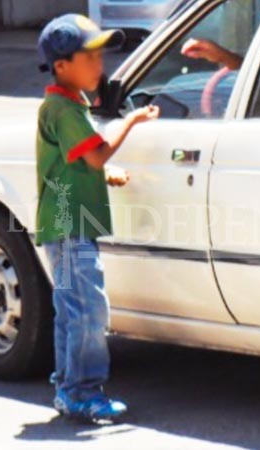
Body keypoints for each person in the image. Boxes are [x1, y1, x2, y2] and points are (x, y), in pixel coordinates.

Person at [35, 13, 159, 422]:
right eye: (88, 57)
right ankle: (83, 391)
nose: (98, 65)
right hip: (70, 227)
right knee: (90, 309)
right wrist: (132, 120)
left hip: (66, 222)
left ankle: (68, 388)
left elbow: (71, 164)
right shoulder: (65, 110)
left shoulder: (66, 105)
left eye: (99, 55)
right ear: (61, 66)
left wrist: (103, 174)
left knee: (71, 309)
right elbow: (96, 153)